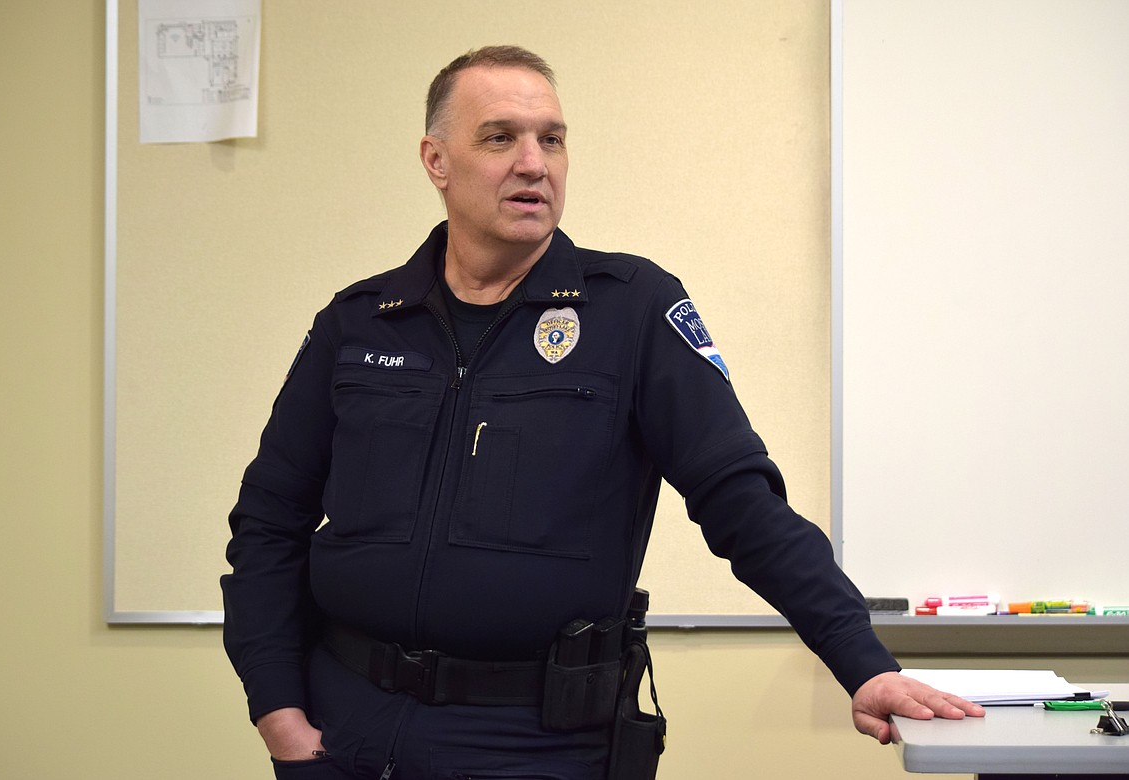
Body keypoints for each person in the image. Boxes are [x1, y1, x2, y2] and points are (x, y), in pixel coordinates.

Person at [221, 45, 983, 779]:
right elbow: (268, 521)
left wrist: (863, 663)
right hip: (346, 736)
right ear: (436, 161)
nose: (534, 162)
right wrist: (278, 712)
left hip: (536, 746)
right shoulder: (360, 323)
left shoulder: (633, 310)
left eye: (551, 139)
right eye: (500, 138)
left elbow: (743, 505)